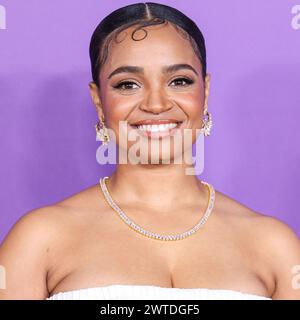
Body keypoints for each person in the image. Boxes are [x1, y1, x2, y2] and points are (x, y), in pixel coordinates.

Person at [1, 2, 300, 300]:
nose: (156, 105)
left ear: (205, 93)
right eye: (128, 84)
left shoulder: (275, 246)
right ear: (98, 101)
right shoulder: (39, 241)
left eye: (179, 81)